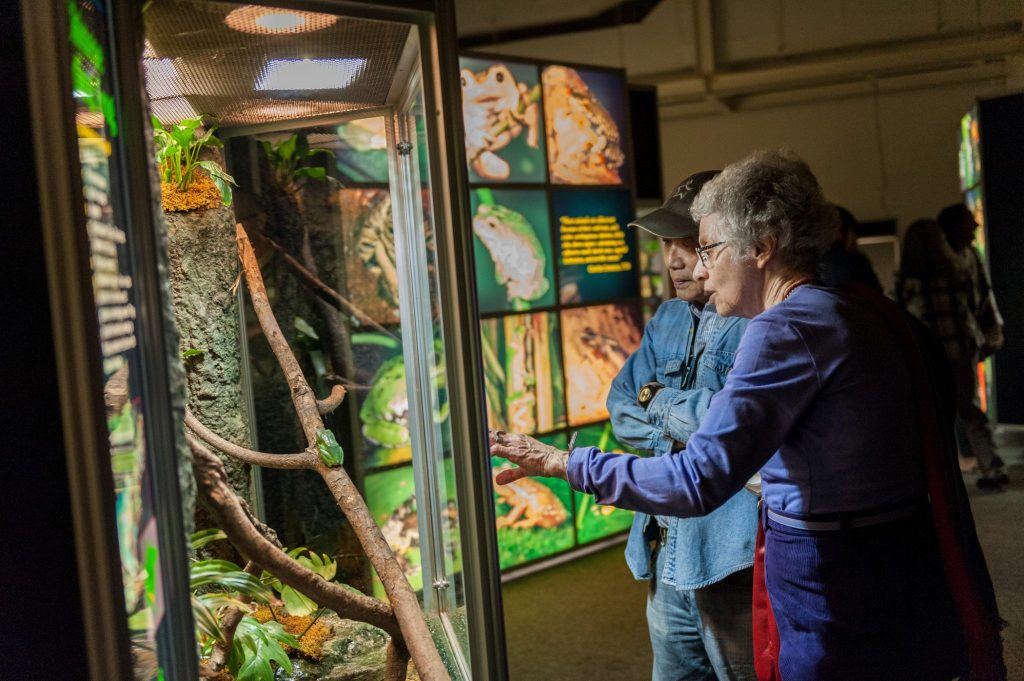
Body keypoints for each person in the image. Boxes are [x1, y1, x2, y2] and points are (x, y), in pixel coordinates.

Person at [490, 150, 1005, 681]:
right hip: (897, 572)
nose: (699, 267)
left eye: (707, 248)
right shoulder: (864, 309)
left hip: (831, 587)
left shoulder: (781, 329)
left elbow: (696, 479)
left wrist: (564, 463)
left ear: (761, 246)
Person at [610, 170, 756, 681]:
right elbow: (621, 405)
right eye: (666, 243)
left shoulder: (755, 318)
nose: (672, 258)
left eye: (688, 243)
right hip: (666, 549)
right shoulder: (667, 319)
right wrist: (680, 426)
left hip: (730, 557)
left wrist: (662, 406)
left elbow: (736, 427)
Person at [819, 205, 882, 291]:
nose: (855, 241)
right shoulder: (852, 265)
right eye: (854, 234)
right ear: (840, 234)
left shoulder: (809, 268)